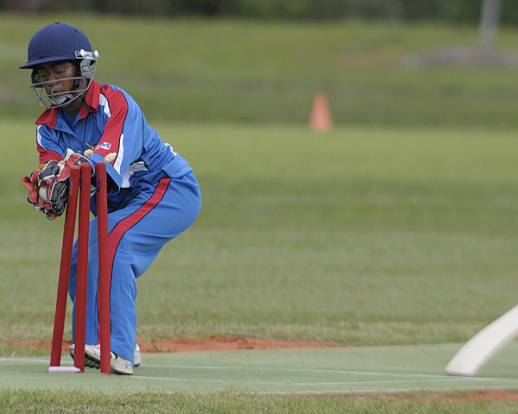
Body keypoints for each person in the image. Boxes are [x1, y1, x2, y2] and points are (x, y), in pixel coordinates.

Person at [20, 22, 201, 375]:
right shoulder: (47, 128)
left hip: (168, 189)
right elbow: (55, 172)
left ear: (83, 70)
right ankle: (94, 342)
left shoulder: (114, 103)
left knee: (111, 242)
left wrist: (69, 170)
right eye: (44, 73)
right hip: (118, 205)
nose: (52, 81)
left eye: (60, 71)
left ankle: (115, 347)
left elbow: (105, 160)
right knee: (79, 260)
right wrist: (48, 188)